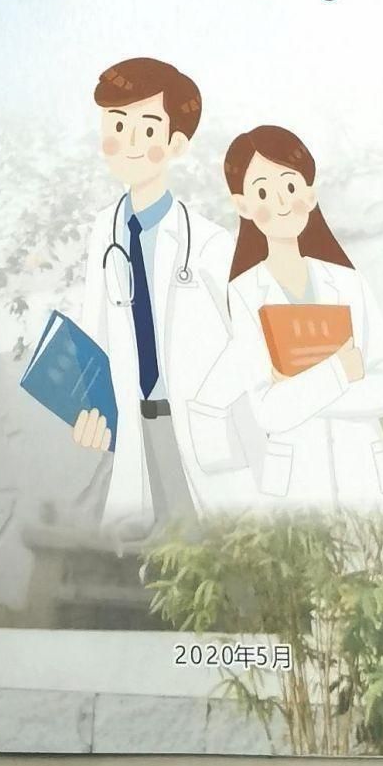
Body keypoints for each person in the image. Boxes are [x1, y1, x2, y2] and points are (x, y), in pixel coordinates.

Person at [68, 56, 259, 533]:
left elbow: (254, 337)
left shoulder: (210, 243)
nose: (130, 143)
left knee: (216, 548)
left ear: (176, 144)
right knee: (151, 554)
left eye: (148, 129)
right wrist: (88, 408)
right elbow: (94, 333)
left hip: (199, 425)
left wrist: (210, 400)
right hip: (136, 423)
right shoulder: (104, 231)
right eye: (118, 125)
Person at [195, 124, 383, 516]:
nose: (280, 202)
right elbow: (267, 412)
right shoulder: (244, 294)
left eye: (290, 186)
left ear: (310, 193)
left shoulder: (350, 282)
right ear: (242, 206)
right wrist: (341, 371)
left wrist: (297, 389)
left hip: (365, 473)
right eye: (263, 192)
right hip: (298, 482)